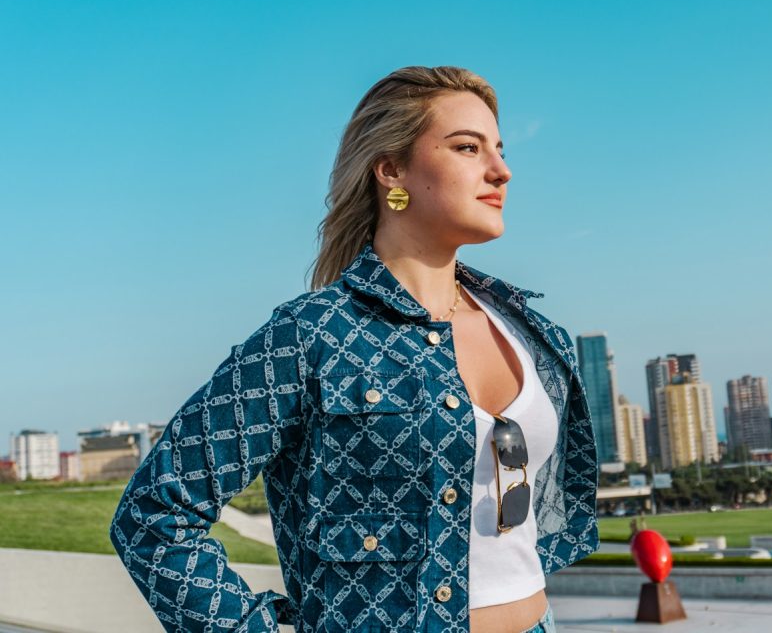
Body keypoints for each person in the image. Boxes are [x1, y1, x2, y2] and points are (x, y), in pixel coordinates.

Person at [109, 66, 599, 633]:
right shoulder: (313, 335)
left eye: (499, 149)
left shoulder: (536, 335)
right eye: (468, 147)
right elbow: (154, 513)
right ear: (391, 170)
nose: (502, 170)